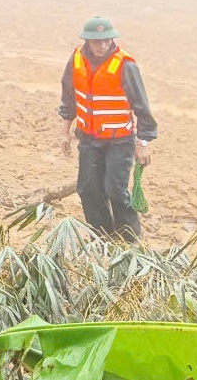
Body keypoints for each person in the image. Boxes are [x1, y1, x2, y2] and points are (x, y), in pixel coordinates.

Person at [57, 17, 156, 243]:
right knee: (88, 189)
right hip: (89, 139)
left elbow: (142, 106)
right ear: (87, 41)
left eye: (106, 40)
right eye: (96, 41)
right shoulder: (76, 60)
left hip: (119, 141)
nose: (101, 45)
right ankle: (101, 238)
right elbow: (69, 98)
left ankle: (130, 241)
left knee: (115, 190)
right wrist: (64, 131)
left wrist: (143, 143)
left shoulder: (125, 65)